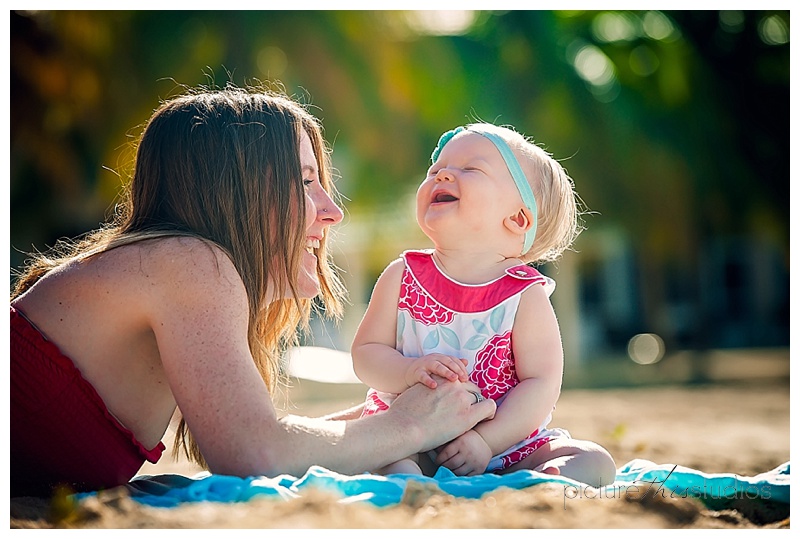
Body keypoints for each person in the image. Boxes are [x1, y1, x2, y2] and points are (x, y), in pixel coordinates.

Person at [10, 85, 496, 498]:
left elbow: (270, 441)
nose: (331, 211)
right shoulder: (191, 263)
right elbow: (254, 452)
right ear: (236, 190)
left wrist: (395, 422)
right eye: (306, 181)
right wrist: (408, 425)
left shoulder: (170, 269)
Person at [351, 123, 616, 487]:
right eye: (435, 170)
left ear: (517, 219)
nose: (442, 173)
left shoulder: (524, 294)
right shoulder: (402, 274)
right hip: (409, 432)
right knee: (385, 456)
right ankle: (413, 486)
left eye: (471, 169)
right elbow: (366, 354)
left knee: (594, 462)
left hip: (502, 445)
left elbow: (540, 382)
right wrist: (408, 371)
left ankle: (525, 485)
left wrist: (485, 441)